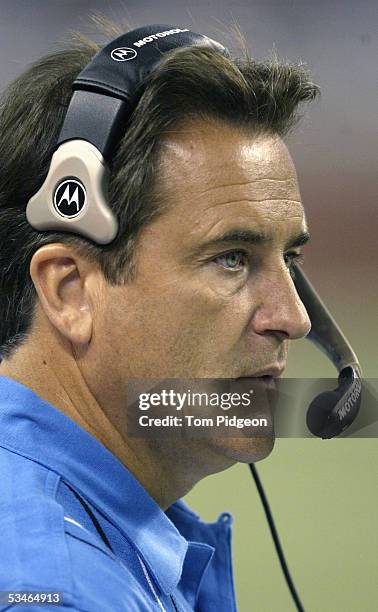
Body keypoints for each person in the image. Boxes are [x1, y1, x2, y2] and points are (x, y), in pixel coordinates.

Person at [0, 21, 319, 611]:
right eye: (232, 258)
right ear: (71, 291)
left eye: (290, 257)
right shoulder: (59, 590)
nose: (293, 317)